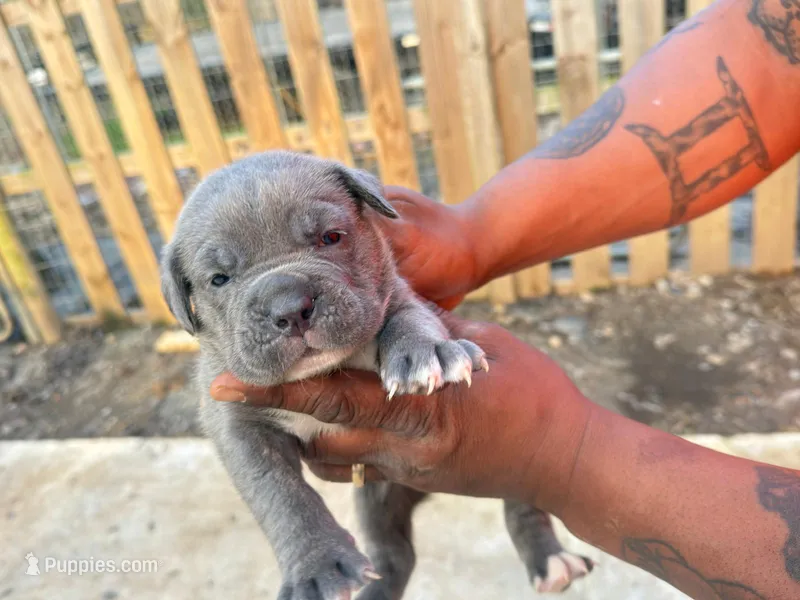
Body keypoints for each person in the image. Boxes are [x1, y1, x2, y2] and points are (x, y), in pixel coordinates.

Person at [210, 0, 800, 598]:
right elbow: (766, 56)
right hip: (371, 469)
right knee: (383, 542)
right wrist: (473, 233)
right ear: (183, 304)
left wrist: (561, 456)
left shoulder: (381, 294)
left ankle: (536, 543)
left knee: (506, 462)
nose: (290, 305)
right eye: (219, 280)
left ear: (372, 214)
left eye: (330, 237)